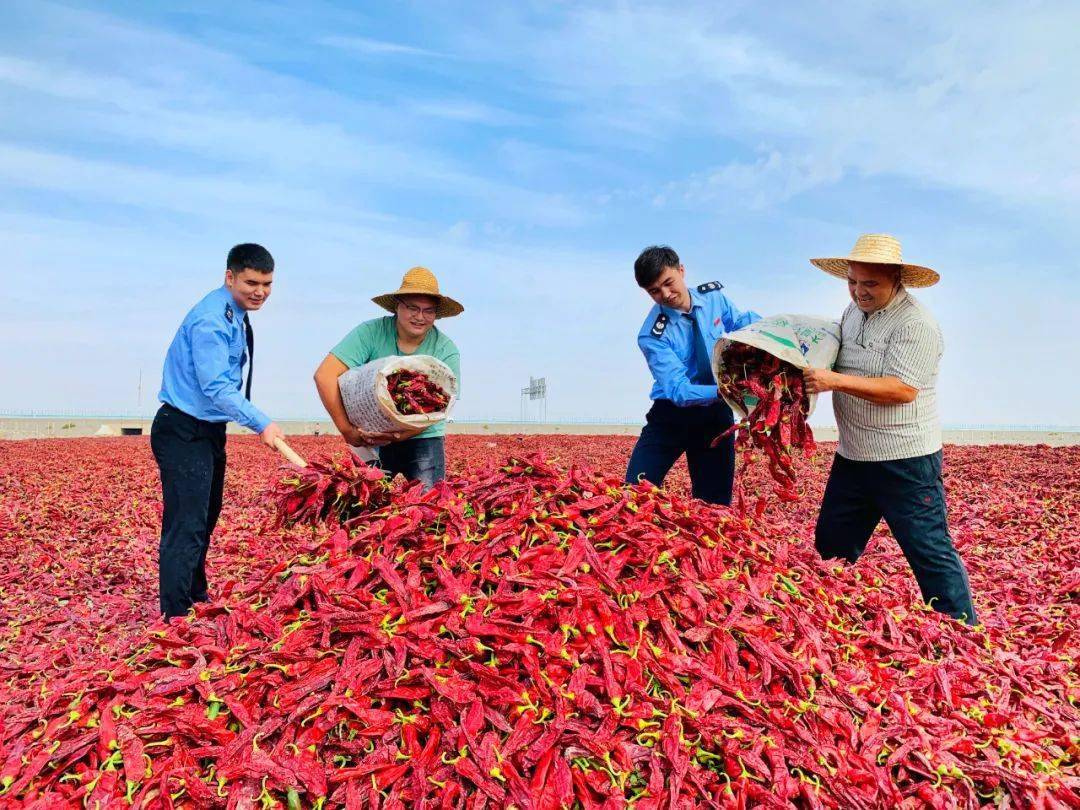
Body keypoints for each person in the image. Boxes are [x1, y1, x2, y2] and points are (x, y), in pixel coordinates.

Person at [803, 233, 977, 624]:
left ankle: (963, 631)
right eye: (852, 281)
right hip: (854, 456)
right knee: (831, 545)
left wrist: (833, 381)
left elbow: (902, 389)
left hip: (905, 460)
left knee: (928, 550)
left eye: (870, 284)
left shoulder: (916, 324)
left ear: (896, 279)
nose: (858, 292)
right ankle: (830, 620)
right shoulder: (852, 313)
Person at [152, 243, 284, 620]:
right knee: (187, 523)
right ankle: (176, 615)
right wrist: (261, 422)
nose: (260, 291)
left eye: (268, 284)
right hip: (182, 429)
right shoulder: (212, 320)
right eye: (251, 282)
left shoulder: (236, 313)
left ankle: (195, 595)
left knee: (205, 516)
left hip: (208, 430)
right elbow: (216, 387)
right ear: (230, 277)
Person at [626, 246, 760, 504]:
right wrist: (728, 391)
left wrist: (774, 335)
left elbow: (742, 324)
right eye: (654, 291)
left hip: (715, 418)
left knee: (714, 506)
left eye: (669, 283)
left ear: (681, 270)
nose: (665, 294)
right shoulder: (652, 335)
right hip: (670, 416)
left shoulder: (714, 299)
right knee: (634, 495)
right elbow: (679, 390)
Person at [314, 266, 462, 489]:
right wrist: (347, 430)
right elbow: (324, 375)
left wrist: (396, 435)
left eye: (429, 311)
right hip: (369, 437)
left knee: (429, 507)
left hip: (423, 436)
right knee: (363, 504)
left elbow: (441, 407)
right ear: (397, 306)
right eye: (413, 308)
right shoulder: (370, 333)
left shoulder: (445, 350)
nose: (420, 317)